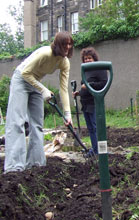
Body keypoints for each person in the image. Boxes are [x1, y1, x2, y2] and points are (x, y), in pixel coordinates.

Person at [4, 31, 73, 173]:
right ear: (58, 44)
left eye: (70, 44)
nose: (68, 47)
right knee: (17, 121)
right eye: (65, 44)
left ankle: (35, 163)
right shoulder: (45, 53)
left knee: (37, 124)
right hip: (21, 80)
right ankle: (14, 167)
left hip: (36, 82)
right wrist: (43, 90)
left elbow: (63, 89)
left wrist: (67, 114)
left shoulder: (64, 62)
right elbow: (25, 73)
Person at [73, 47, 108, 157]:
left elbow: (103, 84)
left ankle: (99, 151)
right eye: (85, 58)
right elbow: (84, 86)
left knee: (95, 127)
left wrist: (89, 86)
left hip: (94, 103)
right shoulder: (85, 70)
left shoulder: (99, 69)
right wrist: (79, 92)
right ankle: (94, 149)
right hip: (85, 103)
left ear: (94, 58)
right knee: (91, 129)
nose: (87, 60)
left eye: (89, 58)